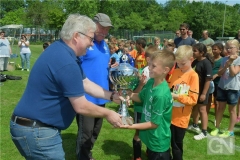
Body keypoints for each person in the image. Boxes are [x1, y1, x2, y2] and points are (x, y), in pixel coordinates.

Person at [10, 14, 122, 160]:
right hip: (38, 131)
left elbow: (85, 83)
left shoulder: (61, 51)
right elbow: (80, 106)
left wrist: (111, 96)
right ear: (76, 36)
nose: (91, 44)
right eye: (90, 38)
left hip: (33, 127)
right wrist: (108, 114)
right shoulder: (66, 62)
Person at [120, 49, 175, 160]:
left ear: (165, 70)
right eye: (149, 64)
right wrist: (129, 94)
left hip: (158, 142)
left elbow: (154, 124)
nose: (149, 68)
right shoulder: (151, 82)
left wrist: (130, 126)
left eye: (153, 66)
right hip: (150, 138)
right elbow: (140, 98)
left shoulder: (161, 95)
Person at [76, 13, 114, 160]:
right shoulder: (85, 42)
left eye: (107, 29)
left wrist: (112, 66)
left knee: (95, 132)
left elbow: (101, 65)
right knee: (85, 132)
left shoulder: (104, 45)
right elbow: (75, 66)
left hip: (102, 95)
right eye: (102, 28)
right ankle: (83, 157)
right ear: (93, 25)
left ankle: (87, 154)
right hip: (86, 97)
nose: (104, 32)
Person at [168, 45, 199, 160]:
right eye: (178, 63)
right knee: (167, 143)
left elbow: (193, 100)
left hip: (180, 119)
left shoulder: (193, 76)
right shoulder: (175, 71)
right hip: (168, 115)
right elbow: (170, 88)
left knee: (176, 145)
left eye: (183, 63)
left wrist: (177, 96)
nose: (180, 66)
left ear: (191, 60)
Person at [131, 45, 159, 160]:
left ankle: (149, 150)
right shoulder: (140, 73)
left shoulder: (157, 74)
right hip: (140, 108)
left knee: (150, 130)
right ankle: (137, 156)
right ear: (148, 60)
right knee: (138, 132)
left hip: (151, 108)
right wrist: (141, 84)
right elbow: (134, 93)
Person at [210, 39, 240, 138]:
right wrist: (226, 64)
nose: (228, 50)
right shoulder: (223, 59)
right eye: (227, 48)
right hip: (222, 86)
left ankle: (230, 130)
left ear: (237, 48)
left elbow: (233, 73)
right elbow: (219, 73)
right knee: (220, 108)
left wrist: (231, 62)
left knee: (232, 110)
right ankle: (217, 127)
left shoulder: (239, 59)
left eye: (231, 47)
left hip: (233, 88)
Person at [189, 43, 213, 140]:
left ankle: (204, 131)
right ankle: (195, 125)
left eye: (195, 51)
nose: (193, 52)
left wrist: (203, 93)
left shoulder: (206, 63)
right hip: (195, 90)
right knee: (195, 108)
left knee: (202, 110)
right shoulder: (195, 61)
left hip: (203, 90)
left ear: (202, 53)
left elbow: (208, 80)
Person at [206, 43, 224, 125]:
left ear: (220, 50)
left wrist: (216, 75)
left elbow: (222, 71)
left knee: (216, 101)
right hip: (209, 82)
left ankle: (217, 118)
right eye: (213, 49)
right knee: (208, 100)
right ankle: (205, 116)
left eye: (215, 49)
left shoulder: (223, 60)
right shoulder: (210, 59)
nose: (213, 51)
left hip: (217, 82)